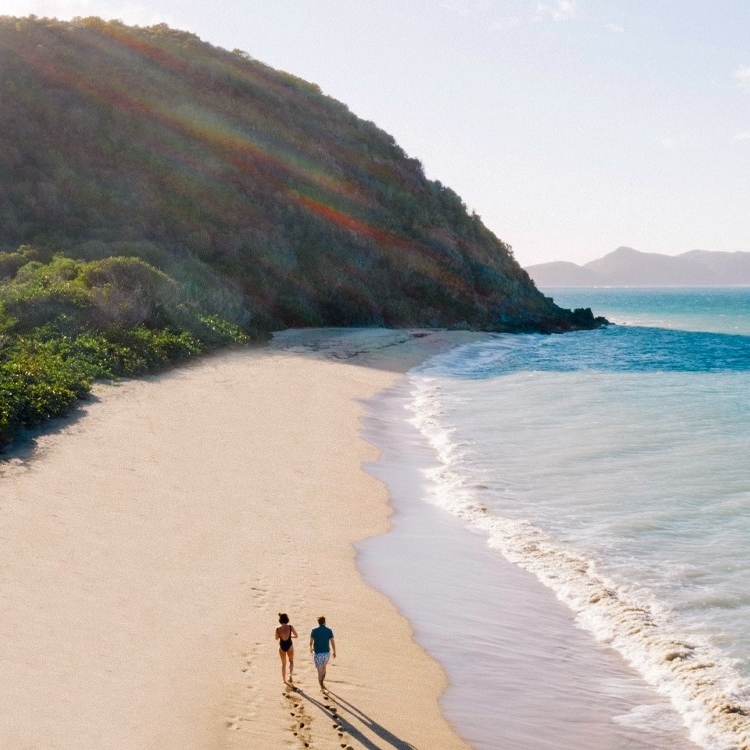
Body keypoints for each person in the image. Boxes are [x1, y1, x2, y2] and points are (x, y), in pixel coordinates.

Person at [309, 615, 336, 691]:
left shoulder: (314, 630)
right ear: (324, 622)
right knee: (324, 670)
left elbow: (311, 642)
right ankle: (322, 684)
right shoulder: (329, 630)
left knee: (320, 672)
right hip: (327, 654)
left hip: (318, 654)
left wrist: (310, 649)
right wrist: (334, 651)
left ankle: (321, 686)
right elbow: (332, 642)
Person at [275, 613, 298, 683]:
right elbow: (296, 636)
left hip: (282, 646)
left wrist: (280, 636)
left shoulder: (277, 628)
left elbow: (276, 638)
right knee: (291, 661)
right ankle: (290, 675)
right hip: (289, 645)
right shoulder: (290, 627)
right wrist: (291, 636)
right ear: (287, 619)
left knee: (283, 663)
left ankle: (284, 680)